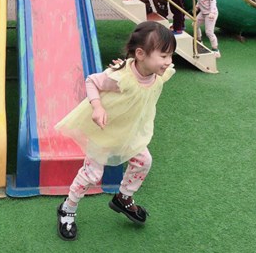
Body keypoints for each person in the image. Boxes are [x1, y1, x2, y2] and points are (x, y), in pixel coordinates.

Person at [55, 22, 176, 241]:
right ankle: (67, 208)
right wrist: (97, 107)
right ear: (141, 54)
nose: (168, 62)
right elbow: (92, 81)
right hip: (105, 130)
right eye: (164, 56)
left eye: (170, 55)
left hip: (129, 132)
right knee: (92, 174)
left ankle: (123, 198)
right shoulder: (120, 77)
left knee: (144, 161)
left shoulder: (158, 72)